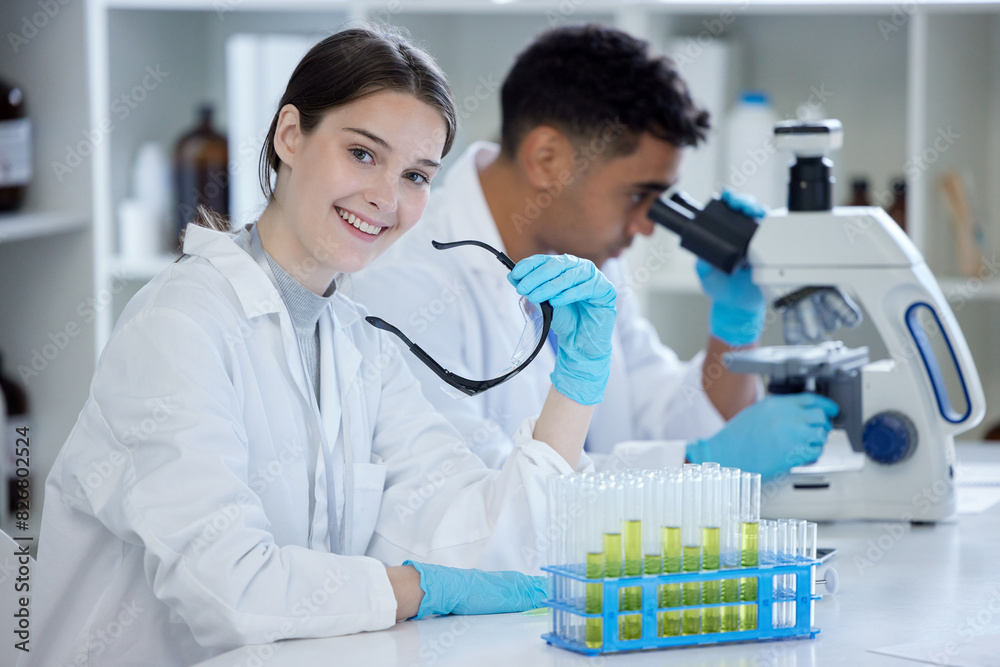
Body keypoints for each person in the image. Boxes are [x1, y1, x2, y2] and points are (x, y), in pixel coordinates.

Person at [25, 27, 617, 667]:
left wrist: (576, 384)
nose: (387, 198)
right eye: (363, 154)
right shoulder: (179, 327)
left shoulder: (361, 348)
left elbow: (483, 541)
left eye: (416, 175)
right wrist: (419, 589)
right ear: (289, 136)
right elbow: (231, 593)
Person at [350, 24, 839, 480]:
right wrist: (695, 463)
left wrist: (733, 327)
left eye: (660, 202)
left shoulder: (586, 262)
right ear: (547, 159)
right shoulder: (407, 281)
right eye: (637, 196)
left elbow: (669, 418)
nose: (648, 225)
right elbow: (486, 501)